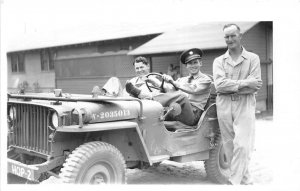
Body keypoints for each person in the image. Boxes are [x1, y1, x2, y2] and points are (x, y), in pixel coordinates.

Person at [212, 23, 262, 185]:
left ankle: (233, 181)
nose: (230, 39)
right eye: (226, 36)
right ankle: (245, 180)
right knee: (228, 144)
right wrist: (244, 84)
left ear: (240, 36)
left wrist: (231, 85)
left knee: (242, 144)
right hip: (224, 104)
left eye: (233, 35)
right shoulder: (219, 61)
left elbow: (257, 84)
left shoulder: (253, 59)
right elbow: (219, 85)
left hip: (245, 104)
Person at [126, 50, 212, 126]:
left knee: (181, 96)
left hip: (193, 115)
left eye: (195, 62)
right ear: (186, 66)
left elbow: (193, 89)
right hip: (179, 110)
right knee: (156, 110)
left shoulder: (206, 80)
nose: (193, 66)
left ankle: (144, 95)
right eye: (190, 63)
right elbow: (170, 89)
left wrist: (173, 82)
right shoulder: (182, 80)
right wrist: (155, 82)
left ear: (200, 63)